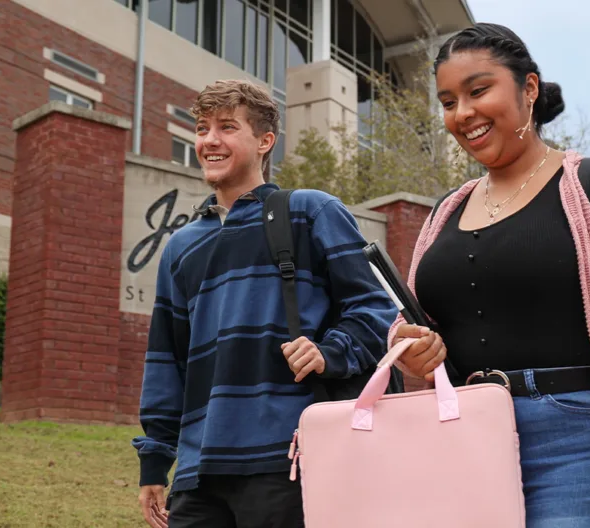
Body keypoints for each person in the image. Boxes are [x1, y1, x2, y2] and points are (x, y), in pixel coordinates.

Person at [388, 23, 590, 527]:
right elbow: (416, 331)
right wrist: (412, 348)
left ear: (528, 88)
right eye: (448, 102)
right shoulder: (441, 215)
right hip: (463, 443)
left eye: (478, 90)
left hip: (581, 445)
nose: (462, 113)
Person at [132, 79, 397, 528]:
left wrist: (329, 351)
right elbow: (166, 359)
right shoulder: (181, 247)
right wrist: (156, 460)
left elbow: (376, 312)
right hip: (199, 473)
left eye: (226, 127)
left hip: (290, 458)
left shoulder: (310, 212)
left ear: (264, 141)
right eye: (201, 128)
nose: (209, 140)